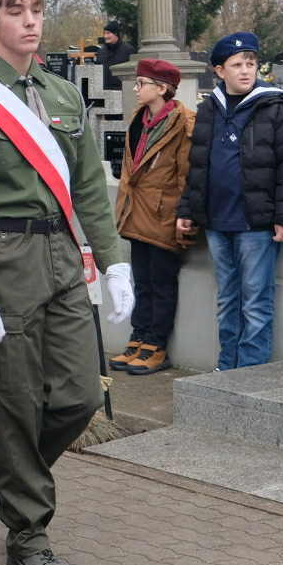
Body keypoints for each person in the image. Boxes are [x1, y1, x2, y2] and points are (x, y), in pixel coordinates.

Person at [0, 0, 134, 565]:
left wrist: (113, 261)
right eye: (16, 12)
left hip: (61, 256)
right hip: (3, 259)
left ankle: (8, 469)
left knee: (81, 395)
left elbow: (88, 185)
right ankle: (28, 534)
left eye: (36, 9)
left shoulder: (62, 97)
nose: (30, 21)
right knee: (16, 401)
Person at [175, 33, 283, 369]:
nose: (245, 71)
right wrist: (188, 209)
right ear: (220, 70)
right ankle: (226, 365)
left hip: (256, 224)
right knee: (227, 300)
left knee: (256, 302)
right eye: (237, 65)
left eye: (251, 64)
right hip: (218, 222)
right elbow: (198, 164)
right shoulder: (209, 109)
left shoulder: (274, 107)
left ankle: (251, 371)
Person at [112, 57, 194, 376]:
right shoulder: (139, 118)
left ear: (161, 88)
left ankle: (156, 345)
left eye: (141, 84)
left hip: (163, 214)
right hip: (136, 211)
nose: (136, 89)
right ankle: (139, 336)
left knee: (161, 282)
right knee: (142, 281)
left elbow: (187, 174)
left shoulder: (183, 122)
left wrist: (185, 214)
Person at [95, 21, 135, 89]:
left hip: (122, 90)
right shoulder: (101, 51)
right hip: (104, 91)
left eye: (108, 33)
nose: (105, 36)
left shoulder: (128, 50)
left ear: (116, 34)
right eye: (104, 33)